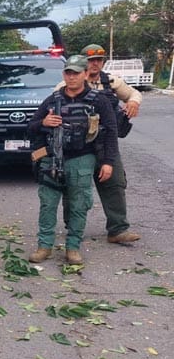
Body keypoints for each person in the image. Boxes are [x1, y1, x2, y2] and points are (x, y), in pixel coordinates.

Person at [28, 55, 119, 265]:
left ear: (86, 74)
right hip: (51, 159)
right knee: (48, 204)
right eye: (68, 73)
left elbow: (111, 132)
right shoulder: (52, 100)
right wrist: (44, 122)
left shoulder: (99, 100)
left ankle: (73, 247)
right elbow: (30, 127)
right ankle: (44, 246)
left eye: (76, 73)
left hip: (82, 159)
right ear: (64, 74)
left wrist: (108, 162)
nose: (71, 77)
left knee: (79, 205)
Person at [80, 44, 142, 244]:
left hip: (106, 143)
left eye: (98, 59)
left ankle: (118, 229)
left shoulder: (111, 81)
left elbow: (134, 93)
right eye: (90, 60)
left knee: (115, 183)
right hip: (80, 146)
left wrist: (133, 102)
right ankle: (74, 230)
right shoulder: (73, 81)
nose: (94, 63)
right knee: (76, 187)